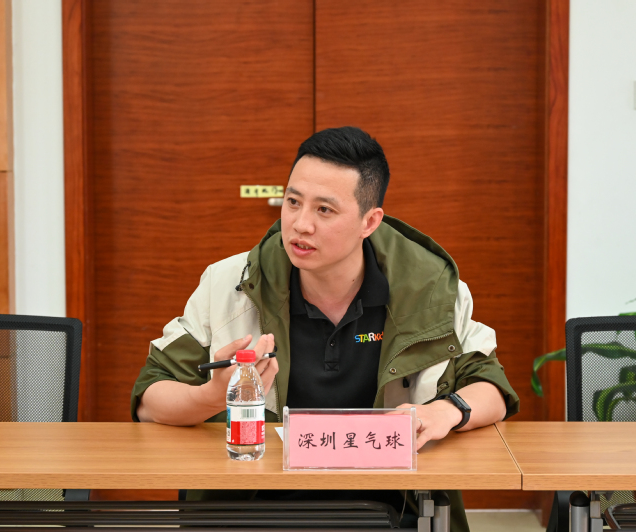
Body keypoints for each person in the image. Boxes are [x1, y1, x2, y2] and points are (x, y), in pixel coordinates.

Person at [131, 126, 519, 532]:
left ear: (369, 221)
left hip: (392, 511)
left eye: (325, 210)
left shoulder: (431, 290)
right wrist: (212, 396)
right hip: (251, 512)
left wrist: (444, 411)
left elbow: (491, 388)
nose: (300, 224)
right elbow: (150, 399)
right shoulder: (230, 283)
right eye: (293, 202)